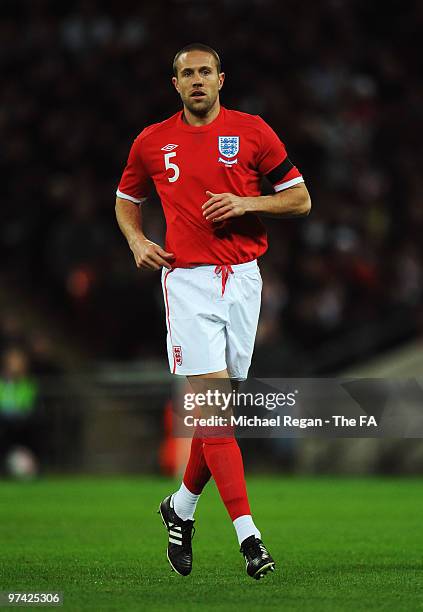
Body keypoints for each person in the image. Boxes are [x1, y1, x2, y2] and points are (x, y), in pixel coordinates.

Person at [115, 43, 311, 580]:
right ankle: (250, 538)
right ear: (174, 83)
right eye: (186, 73)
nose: (196, 80)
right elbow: (125, 199)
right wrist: (136, 240)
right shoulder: (151, 141)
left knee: (217, 411)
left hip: (244, 280)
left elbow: (300, 199)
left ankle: (180, 507)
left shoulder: (253, 131)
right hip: (188, 282)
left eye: (205, 71)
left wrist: (247, 202)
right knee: (217, 412)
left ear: (221, 78)